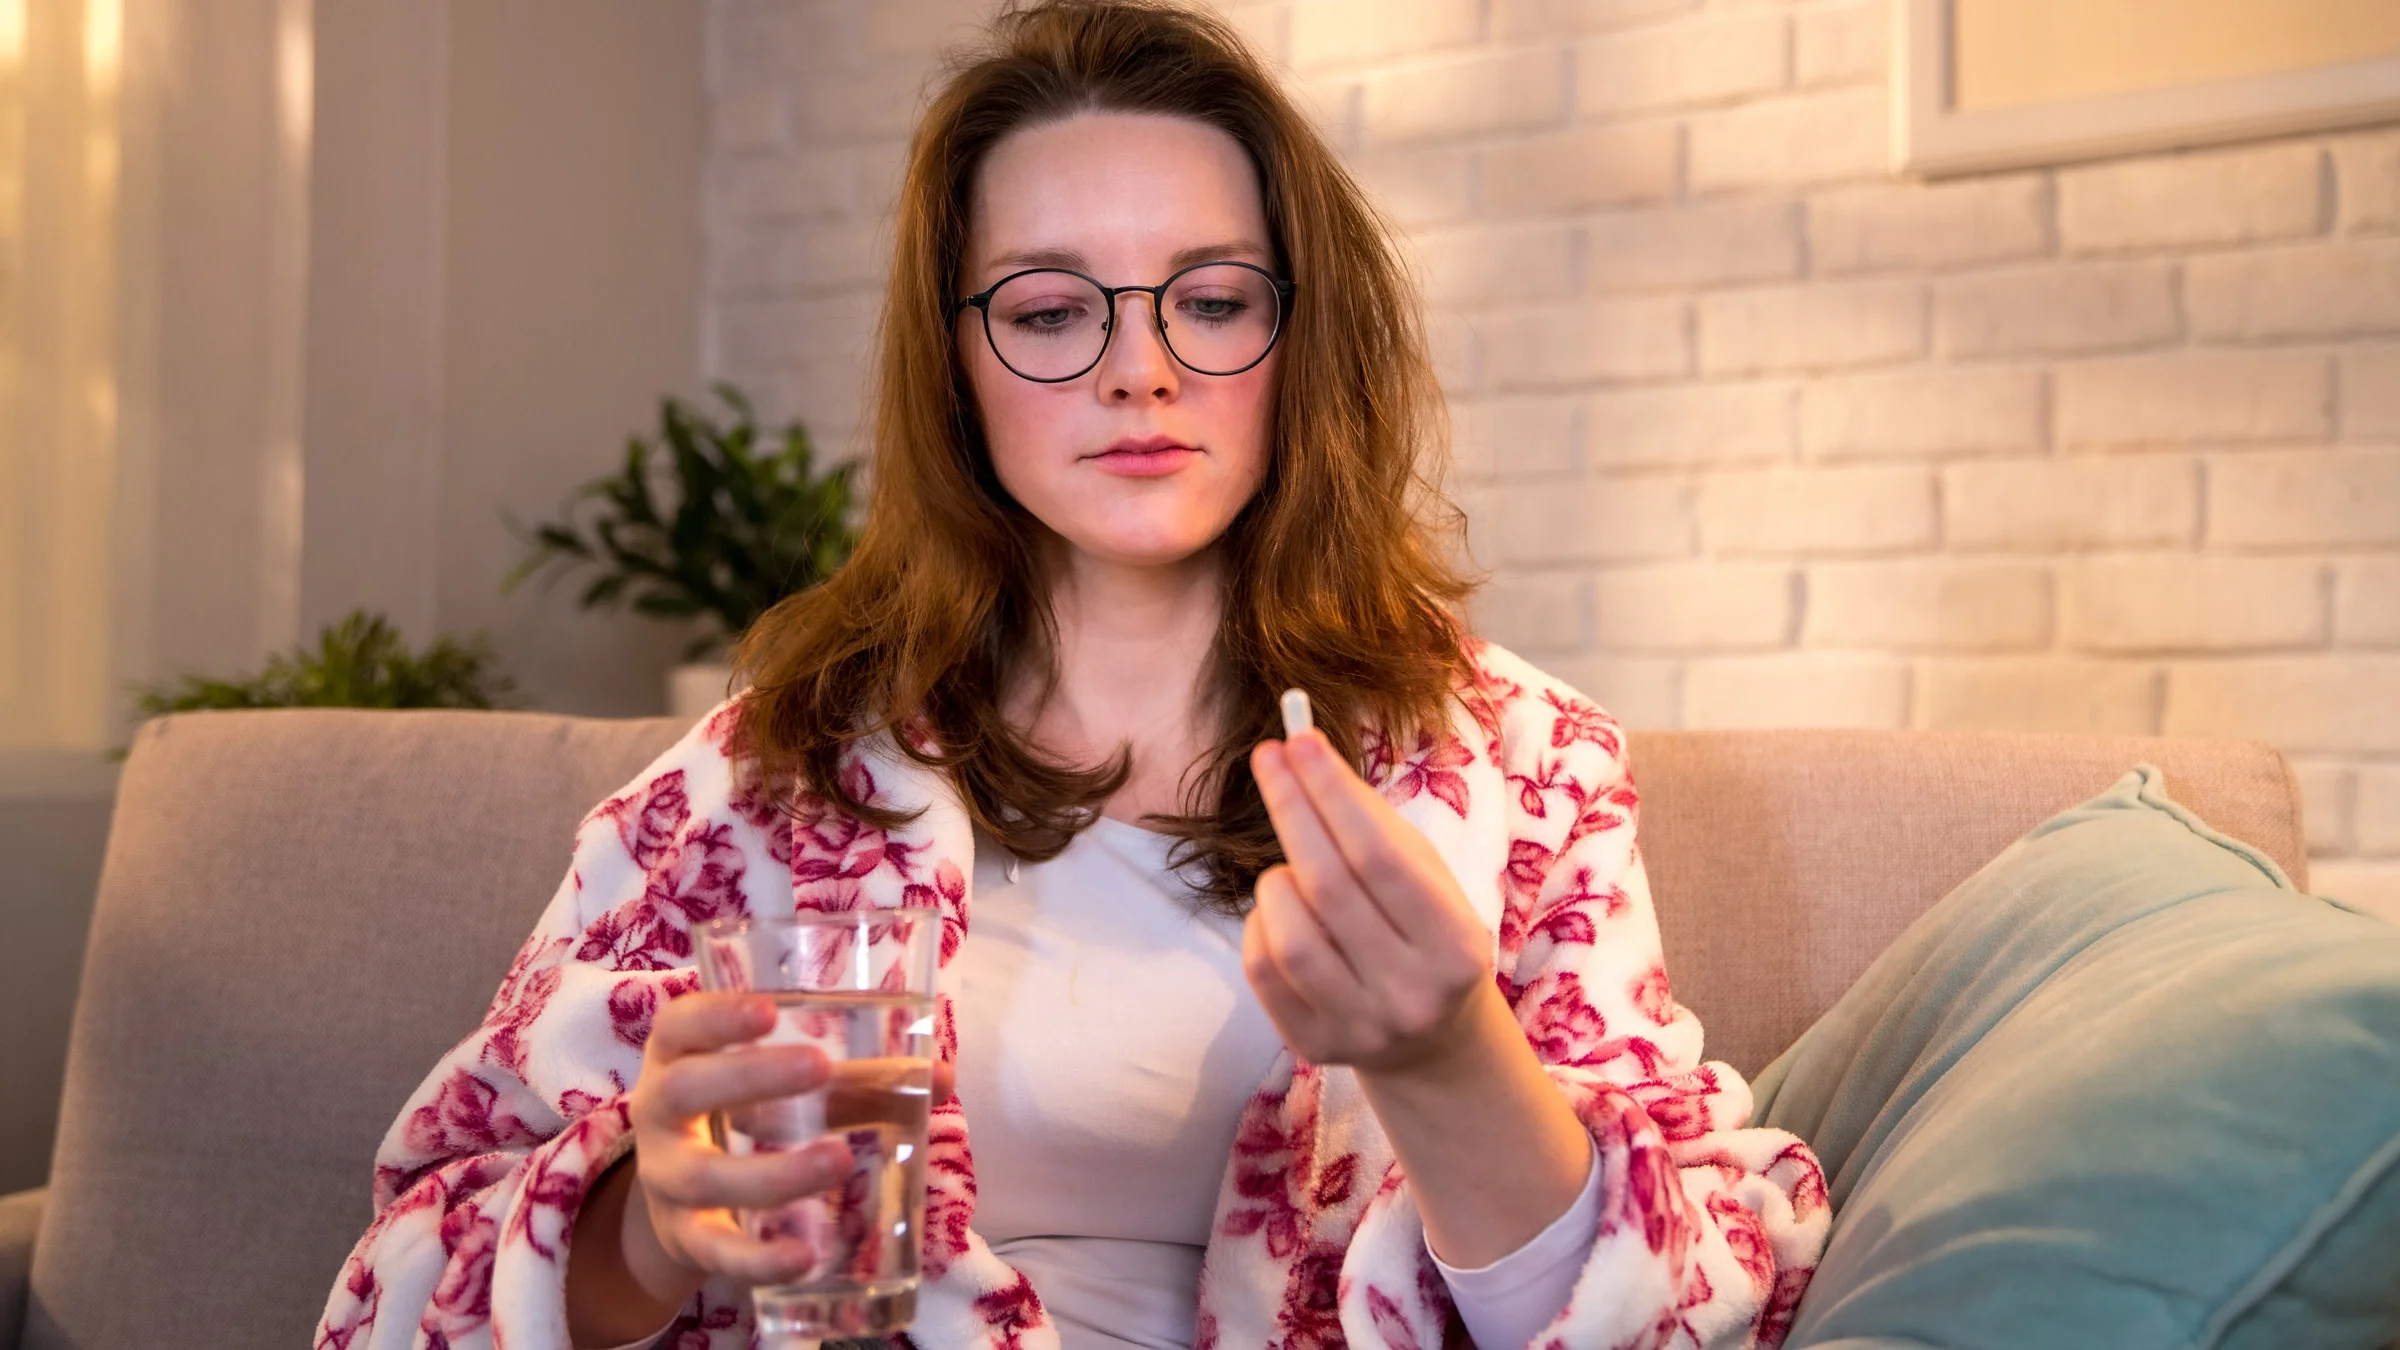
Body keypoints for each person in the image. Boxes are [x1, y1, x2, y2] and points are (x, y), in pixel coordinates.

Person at [315, 2, 1828, 1347]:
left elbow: (1697, 1308)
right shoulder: (759, 787)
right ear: (957, 367)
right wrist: (646, 1233)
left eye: (1215, 299)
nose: (1137, 369)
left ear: (1304, 340)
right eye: (1049, 311)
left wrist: (1446, 1055)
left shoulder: (1519, 768)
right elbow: (392, 1287)